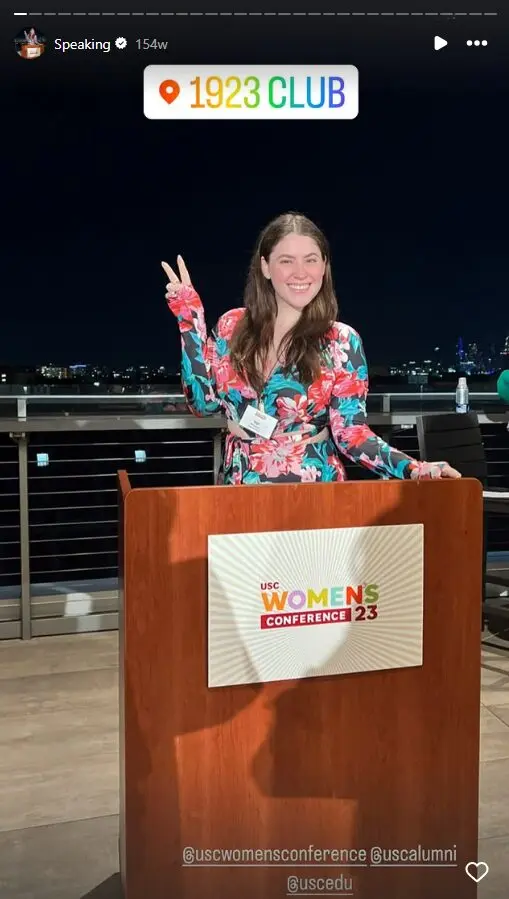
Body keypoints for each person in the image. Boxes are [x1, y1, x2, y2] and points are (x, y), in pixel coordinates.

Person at [163, 212, 460, 485]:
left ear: (324, 267)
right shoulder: (231, 326)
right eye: (286, 261)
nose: (300, 272)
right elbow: (202, 404)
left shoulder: (341, 341)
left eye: (311, 260)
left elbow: (351, 433)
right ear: (265, 267)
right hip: (239, 491)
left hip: (314, 493)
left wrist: (414, 469)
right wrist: (189, 318)